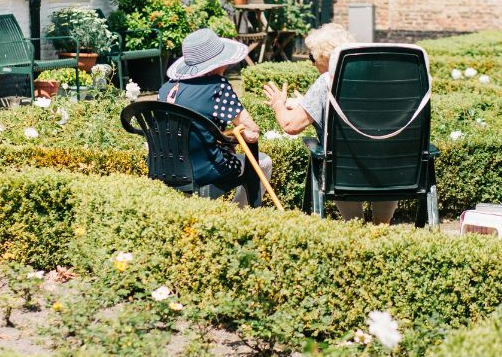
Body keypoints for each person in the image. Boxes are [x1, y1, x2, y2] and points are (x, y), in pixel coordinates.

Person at [262, 23, 398, 225]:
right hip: (392, 169)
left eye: (311, 57)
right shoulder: (383, 79)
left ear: (325, 58)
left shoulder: (327, 80)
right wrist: (307, 104)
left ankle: (355, 226)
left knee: (337, 162)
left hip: (346, 171)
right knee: (379, 156)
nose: (311, 63)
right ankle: (382, 225)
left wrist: (278, 104)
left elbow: (290, 126)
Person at [163, 28, 273, 207]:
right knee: (264, 162)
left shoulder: (166, 89)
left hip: (166, 168)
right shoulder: (217, 87)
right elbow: (252, 132)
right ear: (218, 63)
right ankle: (239, 216)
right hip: (204, 170)